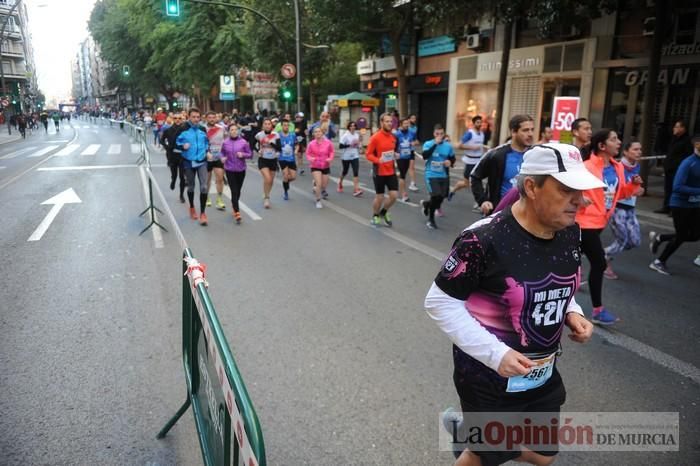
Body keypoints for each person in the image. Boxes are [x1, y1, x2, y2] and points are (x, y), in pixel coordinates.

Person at [425, 143, 597, 466]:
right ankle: (477, 442)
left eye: (582, 190)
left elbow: (557, 282)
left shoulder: (570, 232)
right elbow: (439, 303)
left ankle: (472, 437)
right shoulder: (482, 239)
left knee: (545, 456)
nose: (581, 200)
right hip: (487, 378)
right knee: (485, 456)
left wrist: (573, 312)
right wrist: (497, 353)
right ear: (531, 187)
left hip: (541, 372)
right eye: (567, 190)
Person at [576, 129, 643, 325]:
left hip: (599, 223)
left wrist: (632, 187)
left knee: (569, 260)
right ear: (602, 146)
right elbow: (570, 190)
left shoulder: (617, 168)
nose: (619, 142)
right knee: (599, 263)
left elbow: (619, 193)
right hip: (583, 222)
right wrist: (580, 198)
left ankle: (556, 292)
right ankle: (598, 310)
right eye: (614, 139)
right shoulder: (586, 166)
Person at [649, 134, 700, 274]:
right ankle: (659, 262)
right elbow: (677, 187)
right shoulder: (688, 163)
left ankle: (660, 238)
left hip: (695, 204)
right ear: (697, 145)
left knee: (695, 235)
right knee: (682, 235)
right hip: (680, 205)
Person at [471, 114, 535, 216]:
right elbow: (475, 176)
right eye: (526, 130)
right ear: (513, 132)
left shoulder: (535, 154)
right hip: (500, 214)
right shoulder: (496, 154)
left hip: (527, 215)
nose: (530, 134)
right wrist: (483, 201)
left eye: (532, 129)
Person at [602, 140, 643, 279]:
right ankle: (603, 260)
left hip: (630, 208)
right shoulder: (617, 167)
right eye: (635, 149)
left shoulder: (636, 167)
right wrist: (632, 190)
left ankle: (603, 254)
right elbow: (613, 189)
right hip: (617, 207)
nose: (639, 152)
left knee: (635, 241)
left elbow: (635, 186)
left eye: (640, 149)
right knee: (622, 239)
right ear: (626, 152)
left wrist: (638, 189)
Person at [176, 108, 210, 225]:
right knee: (191, 186)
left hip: (202, 161)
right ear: (189, 117)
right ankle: (191, 207)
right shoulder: (183, 128)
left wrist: (208, 151)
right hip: (188, 162)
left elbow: (206, 142)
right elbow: (175, 142)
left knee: (204, 187)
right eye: (193, 117)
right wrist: (182, 146)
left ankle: (203, 213)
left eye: (197, 117)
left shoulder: (202, 129)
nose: (196, 119)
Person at [366, 113, 399, 227]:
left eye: (391, 121)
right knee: (380, 196)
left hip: (391, 171)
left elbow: (392, 152)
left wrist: (395, 155)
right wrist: (377, 160)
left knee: (394, 196)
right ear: (381, 123)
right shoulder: (375, 137)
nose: (390, 123)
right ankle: (375, 215)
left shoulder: (393, 137)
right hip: (379, 171)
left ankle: (383, 212)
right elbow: (368, 154)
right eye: (387, 121)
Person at [449, 116, 488, 209]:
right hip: (470, 161)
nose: (479, 124)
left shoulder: (482, 134)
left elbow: (480, 146)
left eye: (480, 122)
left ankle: (479, 202)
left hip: (479, 161)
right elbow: (458, 145)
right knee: (466, 183)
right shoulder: (469, 133)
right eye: (478, 122)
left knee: (477, 182)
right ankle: (452, 191)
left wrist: (486, 151)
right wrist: (472, 148)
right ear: (473, 123)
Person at [420, 124, 454, 229]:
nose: (439, 135)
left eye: (441, 133)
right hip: (431, 174)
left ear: (444, 134)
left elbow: (452, 158)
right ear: (434, 134)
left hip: (443, 175)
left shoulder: (448, 146)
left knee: (442, 196)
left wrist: (450, 162)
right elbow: (425, 155)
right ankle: (431, 220)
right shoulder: (428, 144)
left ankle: (427, 204)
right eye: (437, 133)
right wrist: (435, 144)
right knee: (436, 195)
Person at [656, 120, 693, 214]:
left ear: (683, 128)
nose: (674, 128)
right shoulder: (674, 139)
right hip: (669, 168)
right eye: (675, 126)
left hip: (678, 169)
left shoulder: (687, 141)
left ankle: (674, 209)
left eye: (677, 127)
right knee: (668, 189)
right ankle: (666, 207)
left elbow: (688, 156)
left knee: (675, 190)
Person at [220, 123, 252, 224]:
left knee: (238, 191)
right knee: (234, 191)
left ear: (238, 131)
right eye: (232, 130)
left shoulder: (243, 142)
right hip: (229, 169)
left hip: (241, 170)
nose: (234, 131)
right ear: (229, 131)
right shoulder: (225, 143)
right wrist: (222, 158)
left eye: (235, 130)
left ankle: (234, 203)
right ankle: (237, 211)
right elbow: (222, 153)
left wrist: (243, 154)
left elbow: (250, 154)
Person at [306, 126, 335, 208]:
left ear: (322, 133)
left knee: (323, 185)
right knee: (319, 183)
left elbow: (332, 152)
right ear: (313, 134)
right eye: (316, 132)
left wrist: (330, 158)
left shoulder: (328, 143)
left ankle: (315, 184)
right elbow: (307, 154)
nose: (318, 133)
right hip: (315, 165)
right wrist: (311, 158)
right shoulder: (311, 144)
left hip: (325, 165)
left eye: (319, 131)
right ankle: (318, 200)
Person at [204, 112, 227, 211]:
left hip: (219, 156)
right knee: (207, 179)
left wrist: (226, 154)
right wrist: (206, 152)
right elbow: (200, 143)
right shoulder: (203, 129)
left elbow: (226, 141)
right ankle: (207, 197)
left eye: (214, 117)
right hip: (207, 157)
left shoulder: (221, 128)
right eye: (210, 117)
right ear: (206, 118)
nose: (212, 119)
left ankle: (219, 199)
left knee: (220, 178)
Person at [255, 118, 280, 209]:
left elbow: (279, 147)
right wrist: (258, 150)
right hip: (263, 160)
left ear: (271, 125)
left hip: (273, 160)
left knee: (270, 181)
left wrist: (271, 144)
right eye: (265, 124)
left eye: (269, 124)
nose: (267, 125)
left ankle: (266, 193)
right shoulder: (259, 135)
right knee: (268, 178)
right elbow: (253, 144)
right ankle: (267, 198)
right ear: (263, 125)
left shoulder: (276, 135)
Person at [395, 118, 418, 202]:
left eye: (407, 123)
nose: (406, 125)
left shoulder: (412, 132)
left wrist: (414, 143)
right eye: (404, 123)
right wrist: (395, 153)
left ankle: (395, 177)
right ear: (401, 124)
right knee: (403, 175)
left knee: (403, 173)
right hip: (400, 157)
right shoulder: (397, 134)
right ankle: (403, 194)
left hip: (408, 156)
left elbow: (416, 141)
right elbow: (393, 145)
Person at [338, 121, 363, 197]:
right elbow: (340, 146)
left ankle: (356, 190)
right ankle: (340, 183)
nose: (353, 127)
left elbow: (358, 145)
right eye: (351, 126)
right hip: (346, 156)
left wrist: (360, 146)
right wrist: (349, 145)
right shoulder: (345, 135)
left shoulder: (356, 135)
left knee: (356, 172)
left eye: (354, 126)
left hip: (355, 155)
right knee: (345, 171)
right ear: (349, 127)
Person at [277, 119, 297, 200]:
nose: (286, 127)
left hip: (291, 158)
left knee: (293, 177)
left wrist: (295, 150)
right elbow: (273, 144)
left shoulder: (292, 135)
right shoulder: (278, 135)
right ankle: (286, 192)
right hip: (282, 158)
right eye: (284, 125)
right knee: (285, 175)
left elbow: (296, 144)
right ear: (281, 126)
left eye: (287, 125)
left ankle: (286, 183)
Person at [407, 114, 420, 192]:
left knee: (412, 167)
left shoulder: (415, 128)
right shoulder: (405, 127)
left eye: (414, 118)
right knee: (403, 170)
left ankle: (413, 184)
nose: (413, 119)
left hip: (411, 150)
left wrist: (416, 142)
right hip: (403, 151)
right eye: (412, 118)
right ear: (408, 119)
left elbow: (415, 139)